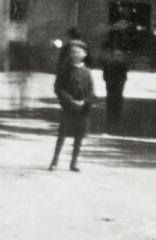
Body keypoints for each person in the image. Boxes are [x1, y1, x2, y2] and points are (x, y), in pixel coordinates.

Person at [49, 40, 95, 172]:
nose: (76, 54)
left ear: (84, 54)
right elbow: (58, 88)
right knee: (62, 134)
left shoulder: (87, 72)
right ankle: (55, 161)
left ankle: (74, 162)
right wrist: (70, 101)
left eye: (79, 52)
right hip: (68, 107)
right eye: (73, 52)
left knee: (79, 136)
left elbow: (91, 91)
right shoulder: (64, 69)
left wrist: (84, 101)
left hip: (82, 109)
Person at [100, 45, 129, 131]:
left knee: (118, 99)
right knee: (110, 99)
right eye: (116, 55)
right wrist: (108, 80)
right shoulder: (109, 64)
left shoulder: (123, 65)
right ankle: (109, 117)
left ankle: (117, 117)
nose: (117, 57)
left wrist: (120, 82)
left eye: (119, 56)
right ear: (113, 56)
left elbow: (124, 76)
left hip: (119, 85)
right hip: (110, 85)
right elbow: (105, 75)